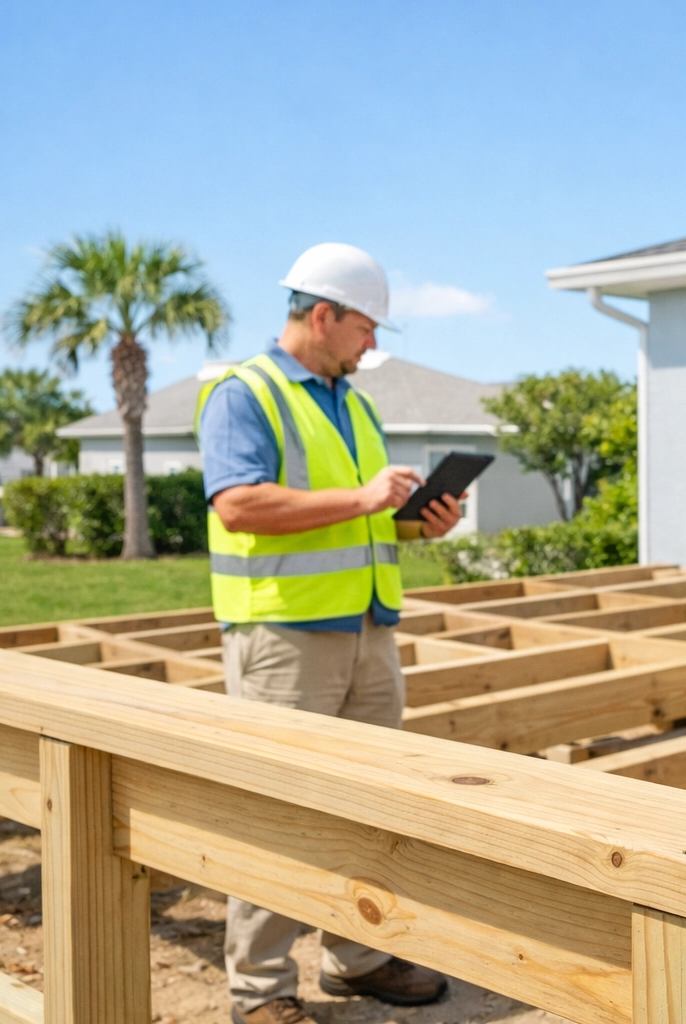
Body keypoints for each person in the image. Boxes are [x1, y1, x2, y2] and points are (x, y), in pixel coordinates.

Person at [196, 243, 460, 1024]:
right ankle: (262, 990)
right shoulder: (246, 394)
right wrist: (363, 497)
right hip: (285, 639)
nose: (372, 344)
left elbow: (366, 519)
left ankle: (357, 957)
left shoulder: (353, 403)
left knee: (370, 805)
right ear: (324, 316)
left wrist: (421, 525)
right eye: (367, 328)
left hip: (369, 633)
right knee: (279, 811)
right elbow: (238, 506)